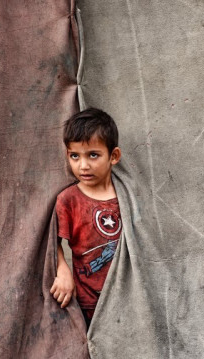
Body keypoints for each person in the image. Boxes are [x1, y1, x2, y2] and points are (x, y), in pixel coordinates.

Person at [50, 108, 122, 329]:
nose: (83, 165)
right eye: (75, 156)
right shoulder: (68, 200)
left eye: (93, 155)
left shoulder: (127, 197)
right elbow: (53, 243)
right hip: (88, 304)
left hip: (126, 300)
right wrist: (63, 270)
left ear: (113, 156)